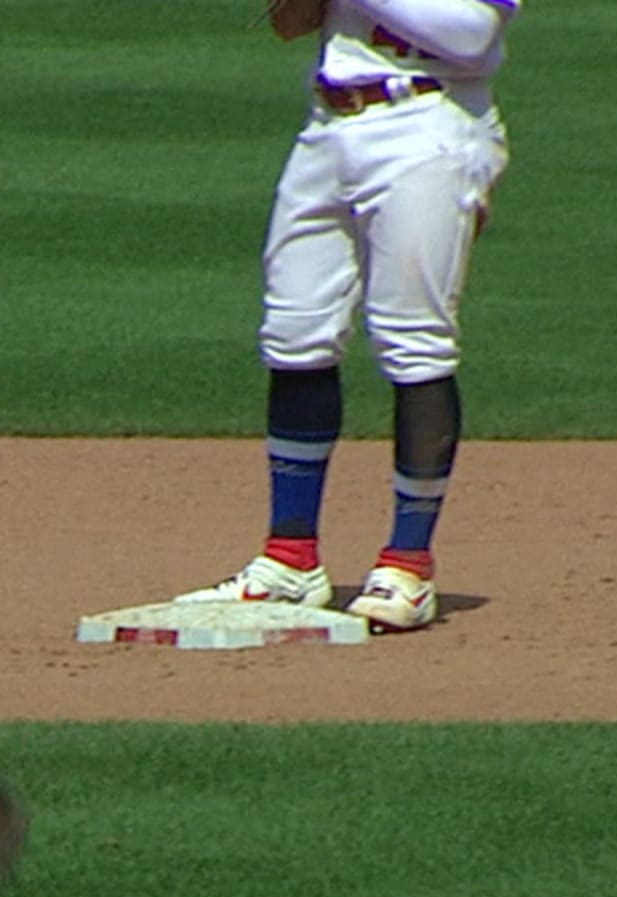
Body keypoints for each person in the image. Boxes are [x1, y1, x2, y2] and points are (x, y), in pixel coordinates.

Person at [178, 0, 519, 632]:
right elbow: (290, 24)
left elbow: (471, 36)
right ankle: (290, 559)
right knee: (294, 334)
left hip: (428, 128)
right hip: (327, 128)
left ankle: (407, 565)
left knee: (414, 343)